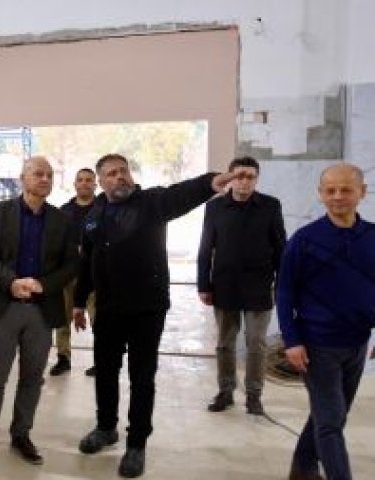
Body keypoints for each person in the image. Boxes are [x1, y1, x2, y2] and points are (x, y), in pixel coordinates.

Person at [73, 153, 243, 478]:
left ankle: (136, 444)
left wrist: (210, 182)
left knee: (142, 377)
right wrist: (79, 303)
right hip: (107, 309)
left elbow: (182, 193)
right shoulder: (94, 214)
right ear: (101, 181)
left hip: (146, 310)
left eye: (123, 171)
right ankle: (106, 427)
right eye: (112, 173)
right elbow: (87, 263)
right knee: (105, 372)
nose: (120, 176)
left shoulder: (151, 203)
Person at [0, 156, 78, 467]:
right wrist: (11, 282)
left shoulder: (62, 220)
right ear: (23, 178)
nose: (45, 179)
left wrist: (43, 285)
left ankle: (21, 434)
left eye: (49, 175)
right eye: (38, 174)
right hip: (4, 306)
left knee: (32, 378)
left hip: (41, 311)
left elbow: (72, 264)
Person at [277, 163, 375, 480]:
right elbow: (284, 291)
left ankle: (302, 468)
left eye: (346, 189)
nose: (337, 196)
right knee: (331, 422)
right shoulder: (304, 240)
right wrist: (292, 340)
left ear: (362, 192)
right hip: (317, 346)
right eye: (330, 190)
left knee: (332, 413)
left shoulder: (372, 236)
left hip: (357, 342)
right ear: (320, 194)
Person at [197, 156, 286, 415]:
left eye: (250, 176)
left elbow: (281, 247)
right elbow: (206, 247)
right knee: (225, 343)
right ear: (230, 178)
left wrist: (282, 285)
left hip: (259, 285)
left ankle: (254, 395)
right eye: (239, 176)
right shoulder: (215, 207)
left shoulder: (270, 206)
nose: (245, 181)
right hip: (224, 284)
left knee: (256, 343)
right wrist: (204, 284)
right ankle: (225, 391)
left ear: (256, 179)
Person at [51, 167, 98, 377]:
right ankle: (63, 358)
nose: (84, 183)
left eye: (89, 180)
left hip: (95, 276)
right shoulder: (64, 212)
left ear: (95, 184)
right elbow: (56, 243)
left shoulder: (103, 209)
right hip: (68, 275)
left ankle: (101, 360)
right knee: (62, 319)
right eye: (80, 180)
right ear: (75, 184)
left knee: (99, 320)